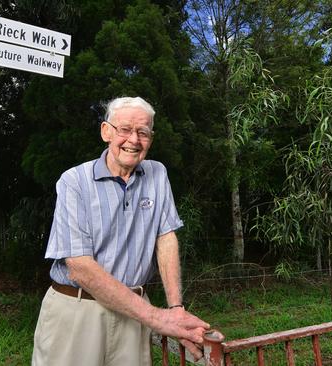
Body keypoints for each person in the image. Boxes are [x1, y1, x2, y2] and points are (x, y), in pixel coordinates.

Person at [31, 97, 210, 365]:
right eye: (124, 130)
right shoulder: (74, 181)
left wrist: (175, 310)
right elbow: (79, 266)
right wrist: (158, 319)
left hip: (134, 314)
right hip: (78, 311)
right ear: (106, 131)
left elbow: (166, 238)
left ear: (151, 137)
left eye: (143, 132)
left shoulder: (157, 174)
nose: (133, 140)